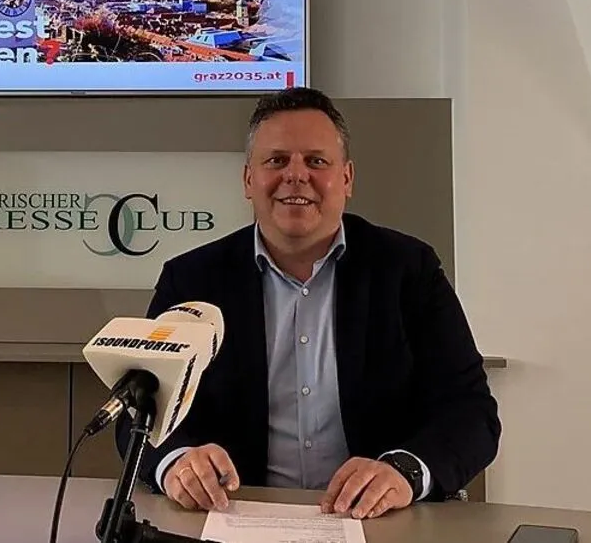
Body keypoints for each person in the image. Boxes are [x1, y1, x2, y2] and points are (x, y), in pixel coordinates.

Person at [116, 87, 500, 519]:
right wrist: (177, 463)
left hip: (379, 523)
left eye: (316, 161)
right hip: (234, 519)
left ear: (347, 179)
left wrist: (405, 472)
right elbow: (139, 413)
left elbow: (471, 412)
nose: (295, 176)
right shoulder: (192, 279)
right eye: (276, 160)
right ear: (248, 180)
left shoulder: (409, 270)